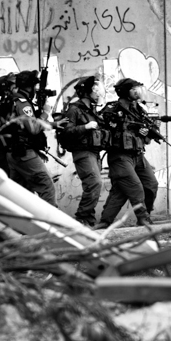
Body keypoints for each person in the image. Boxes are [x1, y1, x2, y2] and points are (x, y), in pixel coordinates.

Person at [96, 77, 158, 228]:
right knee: (135, 187)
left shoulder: (139, 110)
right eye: (134, 89)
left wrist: (147, 133)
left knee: (149, 185)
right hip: (120, 156)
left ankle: (105, 221)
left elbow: (148, 136)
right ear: (125, 91)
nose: (138, 92)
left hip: (137, 155)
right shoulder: (113, 109)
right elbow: (103, 126)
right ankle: (143, 219)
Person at [58, 76, 105, 227]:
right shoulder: (74, 109)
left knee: (93, 186)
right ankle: (82, 217)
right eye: (94, 90)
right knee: (94, 183)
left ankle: (88, 219)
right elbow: (66, 131)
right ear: (86, 92)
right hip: (83, 152)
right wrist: (85, 127)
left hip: (94, 152)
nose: (98, 94)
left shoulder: (90, 109)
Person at [6, 70, 57, 205]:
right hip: (23, 153)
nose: (36, 90)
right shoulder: (22, 102)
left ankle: (22, 225)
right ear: (29, 86)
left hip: (14, 152)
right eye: (35, 86)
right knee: (47, 187)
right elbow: (33, 129)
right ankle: (52, 223)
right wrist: (46, 112)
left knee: (22, 195)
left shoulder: (12, 100)